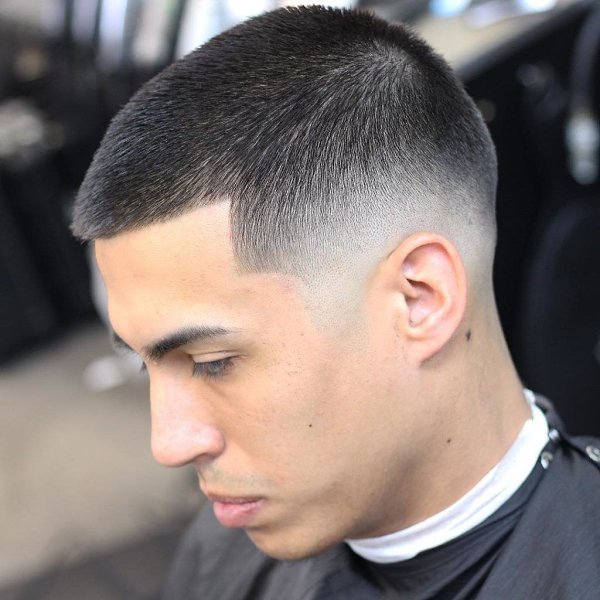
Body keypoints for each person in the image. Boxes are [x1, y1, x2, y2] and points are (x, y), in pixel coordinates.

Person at [71, 6, 600, 599]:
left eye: (214, 362)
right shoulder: (222, 545)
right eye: (147, 364)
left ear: (420, 299)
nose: (170, 444)